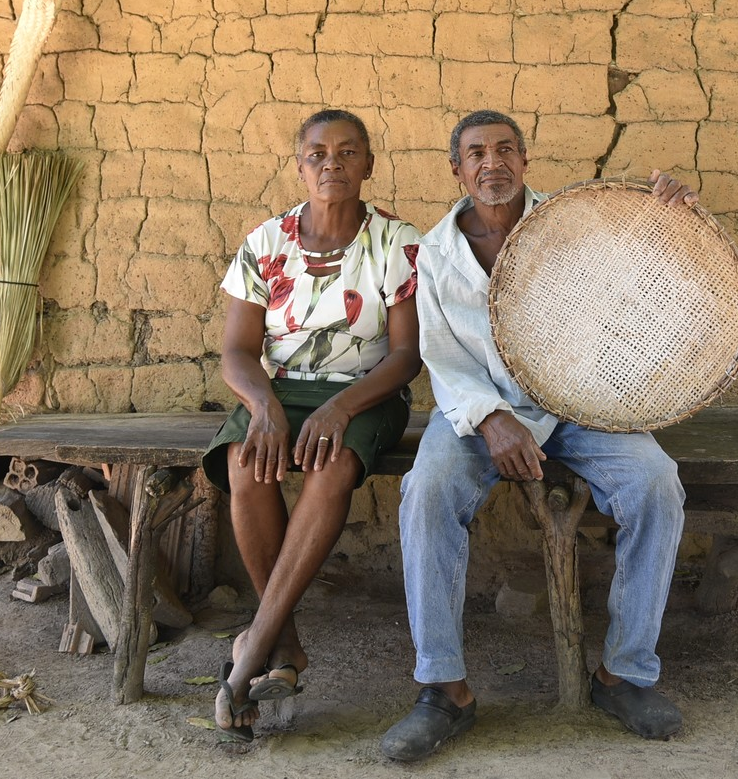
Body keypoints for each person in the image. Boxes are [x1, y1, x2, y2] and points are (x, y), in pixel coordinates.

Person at [381, 109, 695, 761]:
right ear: (457, 169)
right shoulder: (434, 254)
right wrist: (491, 419)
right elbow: (442, 357)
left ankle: (624, 674)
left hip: (580, 402)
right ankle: (444, 689)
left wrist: (669, 217)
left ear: (525, 161)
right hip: (477, 410)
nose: (491, 163)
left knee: (656, 483)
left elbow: (639, 274)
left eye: (505, 149)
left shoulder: (571, 224)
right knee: (427, 490)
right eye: (476, 153)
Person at [205, 108, 423, 744]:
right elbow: (237, 352)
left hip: (365, 394)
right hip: (277, 392)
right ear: (300, 166)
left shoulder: (397, 242)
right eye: (318, 154)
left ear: (369, 165)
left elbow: (406, 356)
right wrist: (264, 407)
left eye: (348, 152)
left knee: (331, 466)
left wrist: (341, 407)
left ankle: (252, 649)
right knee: (246, 464)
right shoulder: (265, 242)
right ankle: (285, 644)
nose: (333, 164)